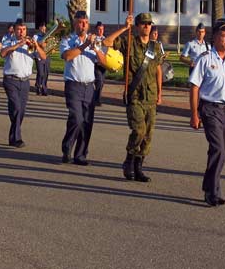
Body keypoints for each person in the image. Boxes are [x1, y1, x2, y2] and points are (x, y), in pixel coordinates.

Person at [188, 18, 225, 206]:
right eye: (223, 36)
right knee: (218, 149)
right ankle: (213, 192)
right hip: (210, 108)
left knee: (223, 152)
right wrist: (194, 114)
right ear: (215, 37)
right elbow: (194, 86)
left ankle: (209, 186)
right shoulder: (205, 58)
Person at [59, 10, 127, 165]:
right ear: (75, 23)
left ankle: (80, 155)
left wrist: (96, 49)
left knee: (87, 122)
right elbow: (68, 56)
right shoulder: (68, 40)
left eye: (85, 22)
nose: (83, 25)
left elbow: (103, 62)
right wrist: (84, 45)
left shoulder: (94, 41)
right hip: (73, 85)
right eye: (80, 22)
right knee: (76, 118)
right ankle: (67, 146)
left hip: (90, 86)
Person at [115, 12, 161, 182]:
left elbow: (157, 70)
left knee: (148, 136)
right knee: (139, 131)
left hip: (151, 96)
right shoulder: (129, 42)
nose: (147, 26)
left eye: (149, 24)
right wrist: (124, 27)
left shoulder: (155, 47)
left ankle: (138, 166)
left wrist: (160, 93)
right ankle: (129, 159)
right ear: (137, 26)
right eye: (143, 23)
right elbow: (107, 43)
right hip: (135, 95)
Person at [0, 18, 46, 147]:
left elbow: (43, 57)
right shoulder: (8, 40)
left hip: (25, 81)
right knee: (17, 108)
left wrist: (36, 46)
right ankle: (17, 138)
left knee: (20, 111)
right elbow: (2, 54)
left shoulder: (31, 43)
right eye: (19, 30)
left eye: (24, 30)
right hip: (10, 80)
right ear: (14, 30)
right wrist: (17, 45)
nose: (21, 32)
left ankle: (13, 136)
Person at [33, 21, 50, 95]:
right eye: (42, 27)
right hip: (38, 56)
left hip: (47, 56)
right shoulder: (36, 36)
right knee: (40, 73)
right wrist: (41, 43)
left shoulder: (48, 35)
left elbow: (50, 45)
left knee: (46, 73)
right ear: (39, 28)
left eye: (44, 27)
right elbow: (34, 45)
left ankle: (44, 88)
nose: (43, 28)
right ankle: (38, 86)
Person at [92, 21, 107, 106]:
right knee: (99, 81)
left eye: (102, 29)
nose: (100, 31)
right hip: (96, 64)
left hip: (104, 64)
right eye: (99, 29)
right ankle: (96, 100)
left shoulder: (105, 39)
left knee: (101, 83)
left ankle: (96, 97)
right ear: (96, 30)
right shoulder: (93, 39)